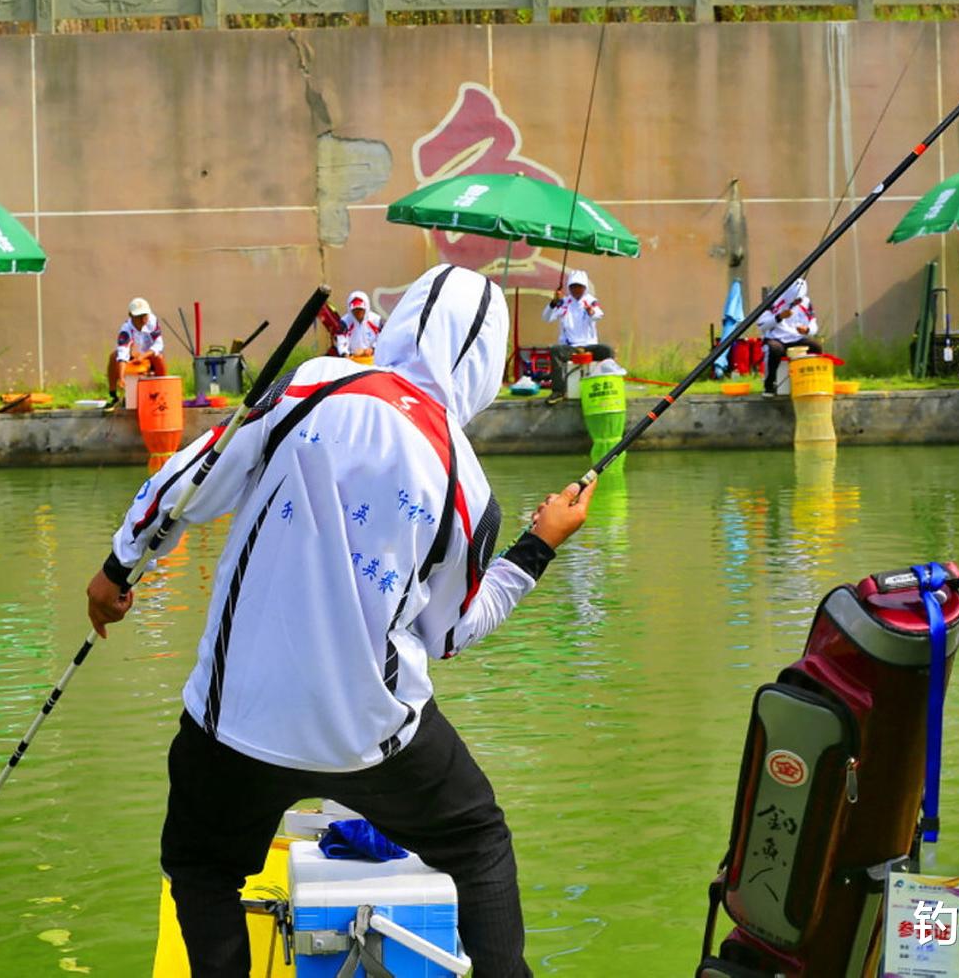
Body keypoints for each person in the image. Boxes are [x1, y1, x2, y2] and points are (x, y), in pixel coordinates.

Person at [86, 264, 595, 978]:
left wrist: (120, 567)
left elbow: (193, 479)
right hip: (370, 735)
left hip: (234, 720)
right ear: (483, 366)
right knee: (478, 843)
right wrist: (537, 548)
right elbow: (449, 635)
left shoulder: (312, 383)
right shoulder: (468, 487)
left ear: (400, 322)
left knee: (203, 871)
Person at [541, 269, 613, 403]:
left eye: (580, 286)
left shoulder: (590, 301)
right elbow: (546, 318)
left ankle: (608, 387)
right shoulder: (563, 303)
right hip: (570, 347)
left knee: (607, 351)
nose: (576, 290)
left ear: (585, 287)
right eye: (573, 286)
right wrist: (553, 303)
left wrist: (591, 312)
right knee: (555, 351)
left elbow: (598, 315)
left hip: (589, 346)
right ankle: (558, 391)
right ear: (569, 287)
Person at [755, 278, 821, 397]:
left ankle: (810, 382)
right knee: (775, 349)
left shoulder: (806, 303)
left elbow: (813, 323)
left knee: (815, 347)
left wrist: (807, 330)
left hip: (795, 338)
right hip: (775, 338)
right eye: (795, 300)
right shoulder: (774, 300)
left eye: (799, 300)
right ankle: (769, 385)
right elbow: (761, 325)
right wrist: (779, 317)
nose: (797, 302)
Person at [107, 297, 167, 406]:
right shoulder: (126, 330)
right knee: (113, 356)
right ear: (131, 315)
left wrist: (143, 356)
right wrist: (121, 377)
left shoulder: (152, 321)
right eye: (139, 316)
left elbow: (159, 344)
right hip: (132, 356)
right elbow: (122, 354)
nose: (143, 319)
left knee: (159, 357)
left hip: (148, 356)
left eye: (145, 315)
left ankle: (163, 391)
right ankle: (113, 395)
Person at [335, 290, 383, 358]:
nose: (358, 313)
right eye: (355, 310)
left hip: (373, 357)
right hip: (353, 358)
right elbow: (341, 341)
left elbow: (382, 337)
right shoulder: (344, 322)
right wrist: (346, 354)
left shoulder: (376, 320)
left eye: (361, 309)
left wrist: (373, 349)